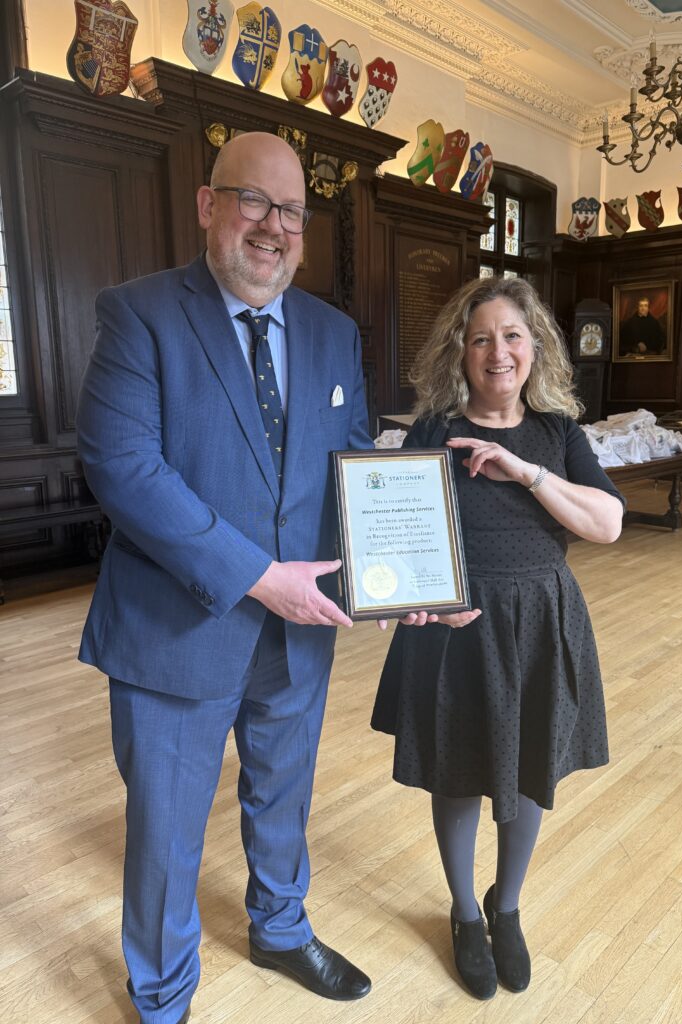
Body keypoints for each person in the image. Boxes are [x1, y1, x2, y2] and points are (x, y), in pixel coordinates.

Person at [76, 132, 373, 1024]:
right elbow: (122, 465)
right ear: (209, 205)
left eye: (291, 212)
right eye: (253, 201)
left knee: (284, 794)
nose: (273, 228)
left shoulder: (333, 331)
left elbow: (352, 459)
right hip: (176, 629)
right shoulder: (140, 314)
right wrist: (256, 575)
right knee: (166, 832)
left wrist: (399, 575)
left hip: (302, 629)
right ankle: (163, 997)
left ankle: (280, 929)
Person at [371, 276, 624, 1000]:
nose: (498, 352)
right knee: (455, 770)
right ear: (462, 351)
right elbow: (397, 535)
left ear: (534, 345)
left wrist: (525, 472)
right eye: (481, 338)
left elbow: (605, 523)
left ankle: (504, 907)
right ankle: (460, 910)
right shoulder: (432, 430)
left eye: (512, 336)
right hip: (454, 628)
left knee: (530, 768)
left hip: (541, 623)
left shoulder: (557, 433)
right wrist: (411, 597)